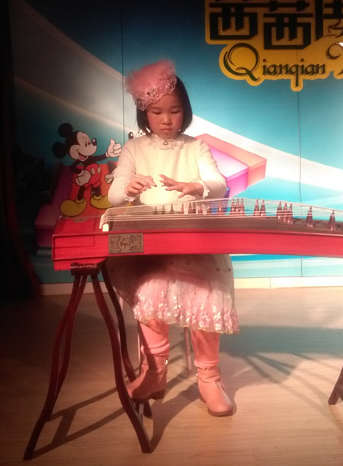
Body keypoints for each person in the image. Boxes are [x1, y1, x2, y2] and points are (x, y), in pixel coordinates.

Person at [106, 59, 239, 417]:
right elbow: (114, 195)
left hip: (194, 240)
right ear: (144, 113)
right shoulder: (134, 149)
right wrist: (128, 188)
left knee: (206, 297)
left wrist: (195, 186)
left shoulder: (195, 148)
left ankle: (209, 378)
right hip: (151, 248)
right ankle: (155, 372)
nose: (166, 120)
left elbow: (218, 184)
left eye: (175, 111)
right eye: (157, 112)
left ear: (186, 111)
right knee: (150, 295)